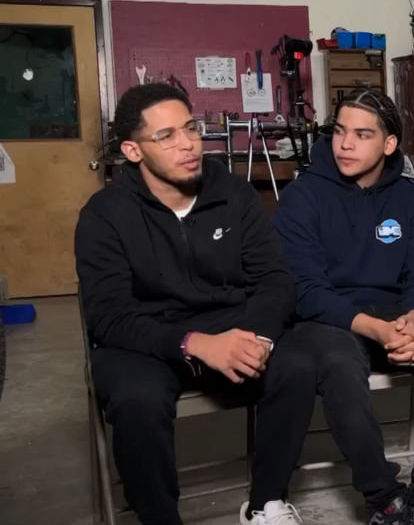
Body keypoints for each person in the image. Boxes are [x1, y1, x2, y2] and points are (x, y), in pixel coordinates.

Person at [75, 83, 315, 525]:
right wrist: (194, 343)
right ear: (132, 150)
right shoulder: (104, 215)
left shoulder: (234, 194)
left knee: (297, 363)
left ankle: (266, 503)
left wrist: (259, 337)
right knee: (136, 399)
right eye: (166, 136)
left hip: (231, 321)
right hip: (147, 337)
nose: (187, 144)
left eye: (190, 128)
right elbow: (108, 316)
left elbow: (274, 278)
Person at [272, 90, 414, 525]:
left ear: (389, 144)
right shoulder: (302, 197)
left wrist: (413, 319)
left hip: (395, 313)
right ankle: (382, 498)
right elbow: (306, 290)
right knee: (337, 358)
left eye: (362, 135)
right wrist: (376, 329)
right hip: (330, 319)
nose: (345, 144)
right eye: (340, 131)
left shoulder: (409, 199)